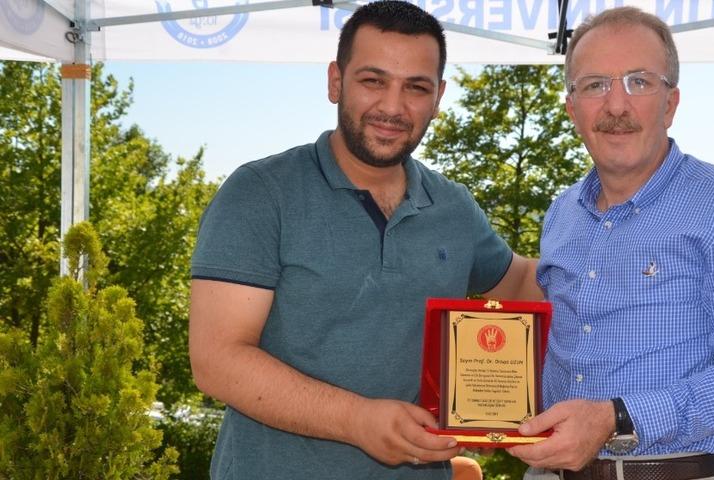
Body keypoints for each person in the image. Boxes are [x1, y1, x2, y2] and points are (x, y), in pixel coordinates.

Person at [188, 2, 541, 479]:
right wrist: (357, 420)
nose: (392, 108)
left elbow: (522, 281)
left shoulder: (453, 207)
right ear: (336, 81)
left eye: (415, 87)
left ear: (437, 96)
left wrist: (618, 258)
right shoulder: (261, 193)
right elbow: (217, 361)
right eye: (373, 81)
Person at [507, 6, 714, 480]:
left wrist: (619, 417)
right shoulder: (562, 214)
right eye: (594, 85)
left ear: (670, 102)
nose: (616, 106)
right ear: (572, 108)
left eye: (639, 82)